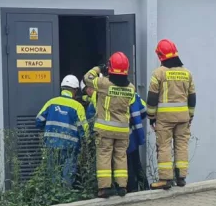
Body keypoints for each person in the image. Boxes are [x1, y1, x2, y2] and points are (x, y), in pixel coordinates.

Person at [84, 53, 136, 198]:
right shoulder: (131, 88)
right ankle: (121, 186)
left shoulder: (103, 84)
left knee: (104, 156)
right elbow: (130, 103)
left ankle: (105, 188)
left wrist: (99, 69)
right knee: (121, 157)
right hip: (122, 130)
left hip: (105, 129)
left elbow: (87, 78)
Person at [147, 39, 196, 189]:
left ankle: (165, 179)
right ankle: (181, 178)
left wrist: (151, 117)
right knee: (181, 146)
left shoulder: (158, 73)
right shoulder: (187, 73)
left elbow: (152, 97)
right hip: (183, 117)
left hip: (164, 118)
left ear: (161, 56)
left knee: (164, 147)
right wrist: (190, 116)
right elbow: (192, 97)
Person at [35, 75, 88, 186]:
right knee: (67, 175)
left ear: (62, 88)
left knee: (53, 173)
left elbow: (38, 120)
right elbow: (84, 130)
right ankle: (66, 197)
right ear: (75, 90)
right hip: (70, 147)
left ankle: (54, 198)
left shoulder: (51, 103)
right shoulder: (77, 107)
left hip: (51, 144)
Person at [126, 91, 148, 192]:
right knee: (136, 163)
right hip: (134, 135)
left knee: (127, 165)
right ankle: (145, 188)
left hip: (119, 137)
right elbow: (144, 109)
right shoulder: (133, 94)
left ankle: (132, 190)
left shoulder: (107, 93)